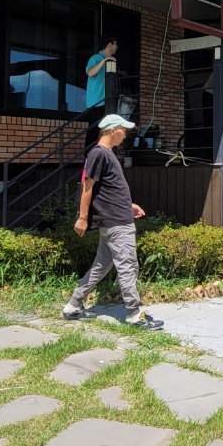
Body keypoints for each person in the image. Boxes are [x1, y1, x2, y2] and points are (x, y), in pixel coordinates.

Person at [63, 113, 163, 330]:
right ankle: (134, 315)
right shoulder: (98, 153)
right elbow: (87, 187)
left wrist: (128, 205)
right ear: (112, 130)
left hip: (117, 217)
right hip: (116, 223)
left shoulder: (107, 154)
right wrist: (82, 218)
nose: (124, 135)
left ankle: (73, 306)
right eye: (123, 130)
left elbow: (108, 190)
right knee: (128, 266)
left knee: (101, 266)